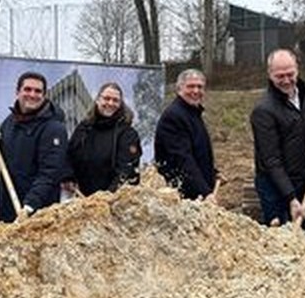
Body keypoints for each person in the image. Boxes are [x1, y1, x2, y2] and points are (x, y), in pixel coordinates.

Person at [250, 49, 305, 228]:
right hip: (275, 185)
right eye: (280, 76)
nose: (286, 80)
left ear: (297, 69)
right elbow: (271, 160)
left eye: (290, 74)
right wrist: (290, 197)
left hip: (303, 176)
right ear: (270, 74)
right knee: (281, 239)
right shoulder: (263, 111)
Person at [0, 71, 68, 222]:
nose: (32, 94)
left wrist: (30, 205)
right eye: (27, 89)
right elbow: (11, 156)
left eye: (38, 91)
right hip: (9, 206)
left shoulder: (54, 128)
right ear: (17, 92)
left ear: (44, 95)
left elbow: (50, 172)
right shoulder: (10, 122)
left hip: (38, 212)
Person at [64, 82, 142, 196]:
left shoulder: (128, 134)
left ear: (121, 104)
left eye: (115, 100)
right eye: (106, 98)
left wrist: (107, 198)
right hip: (80, 198)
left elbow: (127, 172)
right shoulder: (84, 128)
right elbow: (69, 155)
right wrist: (68, 177)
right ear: (98, 100)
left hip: (112, 201)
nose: (110, 103)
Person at [154, 69, 217, 201]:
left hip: (196, 191)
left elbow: (197, 151)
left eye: (200, 87)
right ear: (179, 89)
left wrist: (213, 172)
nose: (196, 91)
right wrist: (205, 192)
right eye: (190, 86)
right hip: (181, 196)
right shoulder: (173, 117)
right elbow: (182, 159)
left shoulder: (192, 113)